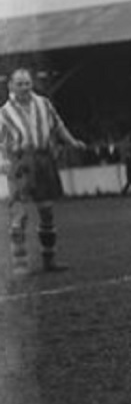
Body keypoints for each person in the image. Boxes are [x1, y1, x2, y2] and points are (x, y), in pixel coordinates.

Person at [0, 68, 87, 275]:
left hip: (43, 159)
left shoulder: (44, 104)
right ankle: (20, 265)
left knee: (47, 211)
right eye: (19, 84)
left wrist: (73, 141)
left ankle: (50, 260)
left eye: (27, 83)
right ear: (10, 86)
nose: (24, 88)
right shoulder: (4, 113)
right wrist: (3, 162)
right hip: (20, 162)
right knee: (19, 214)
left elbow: (58, 126)